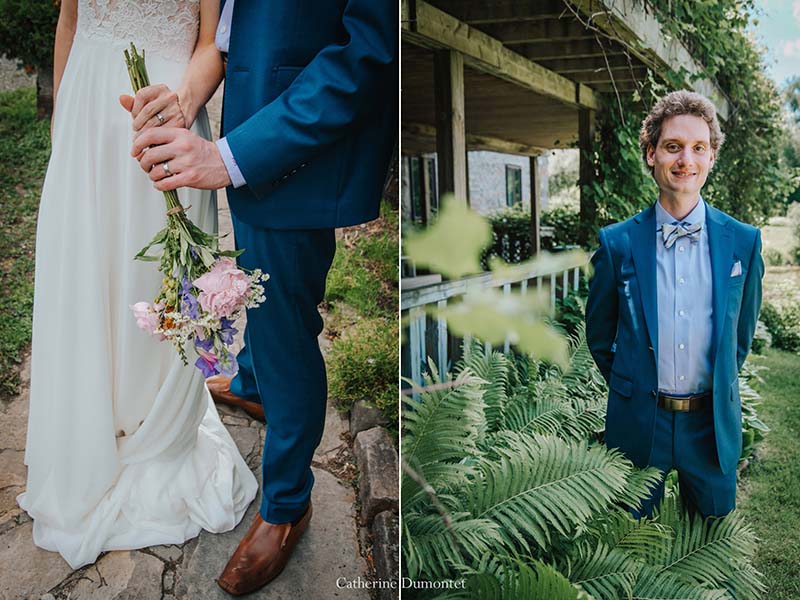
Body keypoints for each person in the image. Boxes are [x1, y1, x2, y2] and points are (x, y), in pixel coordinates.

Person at [128, 0, 397, 594]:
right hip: (249, 116)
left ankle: (287, 504)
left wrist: (229, 156)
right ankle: (252, 386)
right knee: (254, 284)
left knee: (284, 327)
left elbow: (368, 51)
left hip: (296, 143)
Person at [18, 0, 258, 570]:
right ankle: (90, 428)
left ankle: (152, 431)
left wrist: (183, 102)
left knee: (157, 285)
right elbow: (70, 21)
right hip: (86, 114)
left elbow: (211, 41)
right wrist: (62, 126)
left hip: (166, 114)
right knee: (88, 274)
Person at [585, 90, 763, 519]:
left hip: (710, 425)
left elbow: (739, 338)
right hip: (639, 420)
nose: (686, 159)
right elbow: (599, 334)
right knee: (631, 550)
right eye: (673, 147)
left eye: (698, 148)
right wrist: (634, 380)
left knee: (709, 549)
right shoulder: (617, 243)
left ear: (712, 157)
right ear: (651, 154)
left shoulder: (744, 242)